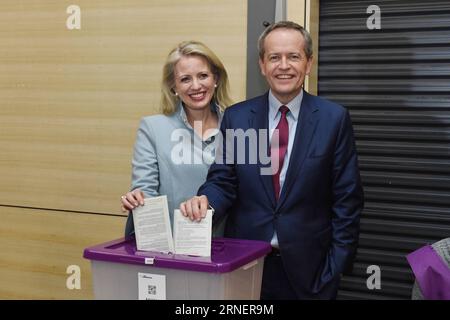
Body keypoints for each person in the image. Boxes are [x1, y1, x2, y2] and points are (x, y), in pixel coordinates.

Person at [180, 21, 364, 299]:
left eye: (294, 56)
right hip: (247, 266)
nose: (284, 65)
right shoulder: (239, 118)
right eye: (274, 57)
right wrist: (205, 200)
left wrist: (335, 266)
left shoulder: (333, 119)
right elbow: (224, 180)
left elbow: (347, 199)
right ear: (262, 65)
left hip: (312, 273)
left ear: (309, 63)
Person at [121, 40, 233, 237]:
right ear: (174, 87)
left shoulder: (238, 124)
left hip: (228, 247)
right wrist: (138, 198)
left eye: (203, 76)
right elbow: (145, 189)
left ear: (215, 79)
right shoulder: (153, 128)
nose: (196, 86)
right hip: (173, 246)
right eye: (185, 79)